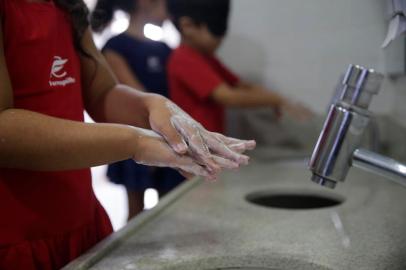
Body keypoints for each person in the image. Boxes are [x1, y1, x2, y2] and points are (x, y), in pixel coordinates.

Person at [0, 0, 256, 269]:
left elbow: (103, 94)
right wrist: (135, 141)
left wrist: (152, 105)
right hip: (14, 235)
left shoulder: (67, 7)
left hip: (81, 220)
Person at [90, 0, 184, 219]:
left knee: (170, 207)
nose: (169, 13)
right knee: (136, 210)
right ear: (145, 3)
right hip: (136, 136)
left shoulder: (163, 48)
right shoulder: (116, 46)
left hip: (169, 134)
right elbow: (135, 98)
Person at [166, 0, 312, 134]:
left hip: (210, 142)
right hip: (194, 146)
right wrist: (276, 100)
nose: (222, 39)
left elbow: (240, 85)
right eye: (216, 30)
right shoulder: (183, 59)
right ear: (188, 26)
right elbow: (229, 97)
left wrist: (281, 100)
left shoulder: (207, 59)